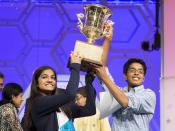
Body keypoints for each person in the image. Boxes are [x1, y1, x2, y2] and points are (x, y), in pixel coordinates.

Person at [21, 52, 82, 131]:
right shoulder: (38, 102)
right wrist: (75, 66)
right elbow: (70, 94)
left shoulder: (58, 105)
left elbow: (89, 109)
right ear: (36, 83)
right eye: (44, 77)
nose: (50, 80)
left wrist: (90, 78)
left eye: (53, 78)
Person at [96, 58, 156, 131]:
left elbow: (126, 102)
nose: (136, 73)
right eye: (132, 70)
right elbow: (106, 81)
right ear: (125, 76)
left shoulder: (148, 95)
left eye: (140, 72)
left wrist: (104, 77)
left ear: (143, 78)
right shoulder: (117, 91)